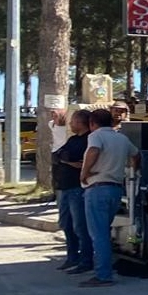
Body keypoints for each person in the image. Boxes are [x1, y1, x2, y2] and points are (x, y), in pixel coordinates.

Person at [78, 107, 139, 287]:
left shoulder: (95, 136)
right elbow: (136, 155)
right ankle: (104, 270)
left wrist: (84, 173)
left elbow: (93, 151)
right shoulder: (122, 138)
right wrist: (132, 170)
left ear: (92, 123)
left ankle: (103, 275)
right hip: (115, 189)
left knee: (99, 234)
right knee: (104, 231)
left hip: (97, 188)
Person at [52, 110, 92, 274]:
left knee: (80, 226)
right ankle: (72, 257)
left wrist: (67, 159)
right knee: (66, 224)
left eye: (73, 121)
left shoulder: (89, 139)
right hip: (64, 187)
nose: (70, 124)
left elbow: (78, 160)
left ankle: (86, 260)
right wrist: (66, 160)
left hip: (78, 187)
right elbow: (58, 155)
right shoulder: (72, 139)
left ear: (80, 123)